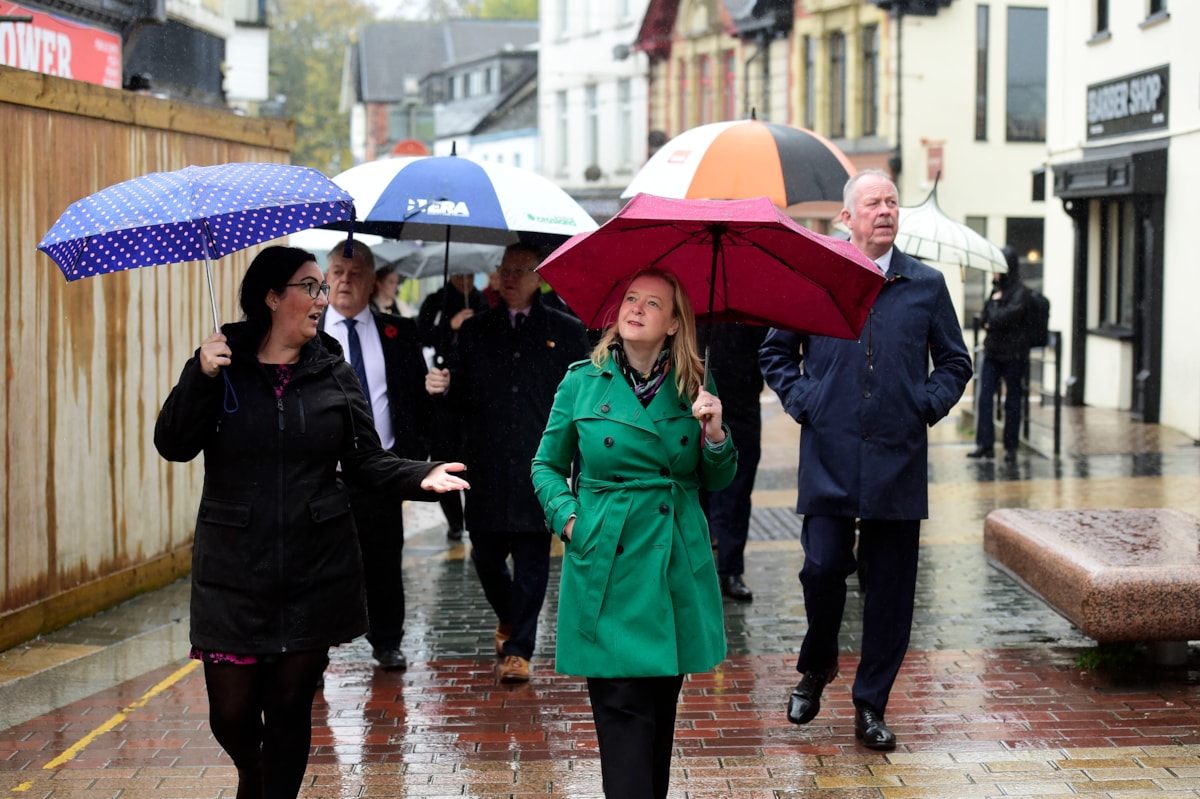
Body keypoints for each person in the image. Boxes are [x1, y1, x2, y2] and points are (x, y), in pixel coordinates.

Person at [153, 245, 468, 799]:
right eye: (311, 286)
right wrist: (200, 376)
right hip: (234, 569)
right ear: (273, 297)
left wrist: (421, 474)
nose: (324, 298)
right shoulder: (220, 362)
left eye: (325, 287)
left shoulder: (333, 370)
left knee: (293, 704)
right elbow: (173, 444)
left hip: (315, 564)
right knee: (230, 714)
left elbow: (366, 460)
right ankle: (253, 769)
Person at [759, 169, 971, 751]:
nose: (885, 210)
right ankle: (818, 661)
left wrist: (921, 407)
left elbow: (956, 362)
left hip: (897, 461)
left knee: (891, 589)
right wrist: (808, 402)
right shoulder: (817, 278)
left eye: (892, 202)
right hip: (828, 453)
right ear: (846, 218)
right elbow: (775, 352)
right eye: (872, 203)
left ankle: (871, 703)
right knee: (822, 568)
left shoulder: (924, 284)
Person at [531, 268, 737, 799]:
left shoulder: (694, 382)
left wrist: (714, 432)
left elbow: (716, 477)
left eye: (652, 303)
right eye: (629, 298)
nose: (636, 309)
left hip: (672, 565)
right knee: (622, 711)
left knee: (658, 711)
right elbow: (546, 465)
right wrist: (571, 521)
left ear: (673, 323)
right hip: (608, 559)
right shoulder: (582, 380)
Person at [425, 244, 590, 683]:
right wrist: (442, 386)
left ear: (539, 278)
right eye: (505, 270)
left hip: (541, 468)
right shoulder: (476, 330)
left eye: (521, 270)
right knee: (486, 556)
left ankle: (519, 651)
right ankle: (510, 619)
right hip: (486, 465)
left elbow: (583, 401)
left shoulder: (567, 331)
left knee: (535, 562)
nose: (511, 278)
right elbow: (459, 400)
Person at [320, 239, 432, 672]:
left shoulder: (398, 333)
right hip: (323, 474)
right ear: (327, 279)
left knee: (384, 560)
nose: (345, 281)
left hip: (381, 469)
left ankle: (387, 641)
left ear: (372, 281)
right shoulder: (310, 333)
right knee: (324, 567)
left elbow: (415, 402)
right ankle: (317, 651)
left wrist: (412, 459)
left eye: (355, 274)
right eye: (337, 273)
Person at [417, 272, 490, 541]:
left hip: (472, 398)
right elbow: (422, 334)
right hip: (440, 399)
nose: (466, 280)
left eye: (470, 275)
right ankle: (454, 522)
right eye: (461, 274)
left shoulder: (481, 302)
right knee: (445, 460)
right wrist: (451, 325)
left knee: (471, 461)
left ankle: (473, 517)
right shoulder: (436, 300)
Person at [698, 322, 767, 602]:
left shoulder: (753, 302)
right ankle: (699, 572)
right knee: (696, 494)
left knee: (737, 495)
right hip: (695, 407)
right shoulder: (685, 297)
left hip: (742, 406)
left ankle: (731, 570)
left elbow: (768, 350)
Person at [968, 246, 1031, 463]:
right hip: (993, 352)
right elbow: (985, 317)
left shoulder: (1020, 292)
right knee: (985, 399)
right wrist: (993, 313)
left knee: (1012, 402)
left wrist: (994, 313)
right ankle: (984, 444)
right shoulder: (995, 289)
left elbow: (1001, 318)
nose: (994, 273)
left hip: (1014, 355)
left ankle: (1010, 447)